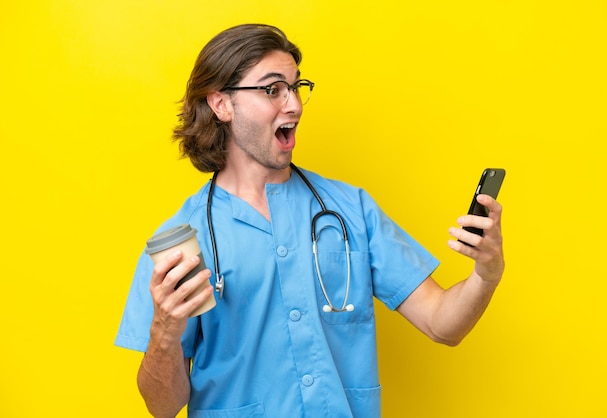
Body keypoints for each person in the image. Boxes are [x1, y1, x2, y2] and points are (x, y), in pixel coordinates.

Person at [115, 23, 505, 418]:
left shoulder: (351, 208)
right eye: (272, 89)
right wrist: (164, 328)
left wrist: (485, 274)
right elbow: (162, 407)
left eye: (296, 87)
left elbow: (443, 324)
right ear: (222, 105)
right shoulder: (182, 241)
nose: (295, 105)